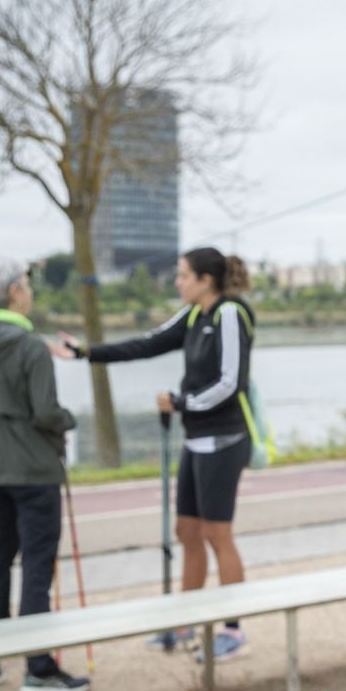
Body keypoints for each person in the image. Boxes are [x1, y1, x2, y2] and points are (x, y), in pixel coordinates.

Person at [51, 248, 257, 660]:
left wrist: (182, 402)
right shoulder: (194, 315)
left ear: (205, 280)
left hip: (226, 438)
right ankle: (186, 622)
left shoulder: (230, 314)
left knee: (218, 534)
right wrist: (87, 353)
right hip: (195, 438)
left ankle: (233, 630)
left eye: (182, 276)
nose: (177, 283)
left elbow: (231, 382)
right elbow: (147, 345)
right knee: (187, 531)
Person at [0, 257, 90, 691]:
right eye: (27, 286)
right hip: (33, 471)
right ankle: (39, 668)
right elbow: (47, 413)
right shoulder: (30, 346)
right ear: (14, 291)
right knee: (37, 565)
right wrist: (68, 421)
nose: (30, 293)